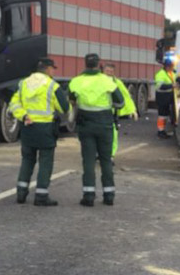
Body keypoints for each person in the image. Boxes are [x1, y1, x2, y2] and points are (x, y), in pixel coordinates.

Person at [8, 58, 70, 206]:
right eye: (52, 69)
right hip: (45, 128)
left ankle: (21, 194)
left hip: (28, 126)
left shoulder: (23, 83)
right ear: (48, 69)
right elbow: (64, 108)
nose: (53, 71)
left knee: (27, 160)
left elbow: (13, 104)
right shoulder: (51, 85)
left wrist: (23, 115)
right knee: (45, 161)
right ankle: (41, 196)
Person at [69, 54, 125, 207]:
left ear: (85, 64)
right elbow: (120, 102)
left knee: (88, 161)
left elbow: (72, 101)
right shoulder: (107, 81)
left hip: (85, 125)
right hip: (105, 125)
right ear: (99, 64)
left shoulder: (76, 81)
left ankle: (88, 196)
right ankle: (109, 196)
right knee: (106, 160)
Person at [102, 63, 138, 158]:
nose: (109, 73)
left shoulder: (117, 83)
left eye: (111, 71)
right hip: (98, 113)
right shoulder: (97, 82)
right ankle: (100, 153)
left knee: (113, 136)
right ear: (103, 71)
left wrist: (132, 110)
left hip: (111, 114)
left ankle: (110, 155)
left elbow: (126, 96)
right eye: (107, 71)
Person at [153, 59, 180, 138]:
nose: (173, 67)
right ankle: (160, 131)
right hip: (162, 97)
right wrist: (172, 86)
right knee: (162, 115)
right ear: (167, 67)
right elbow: (159, 86)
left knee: (167, 115)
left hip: (169, 97)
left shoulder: (172, 73)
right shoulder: (160, 74)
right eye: (172, 66)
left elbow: (177, 78)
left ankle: (163, 130)